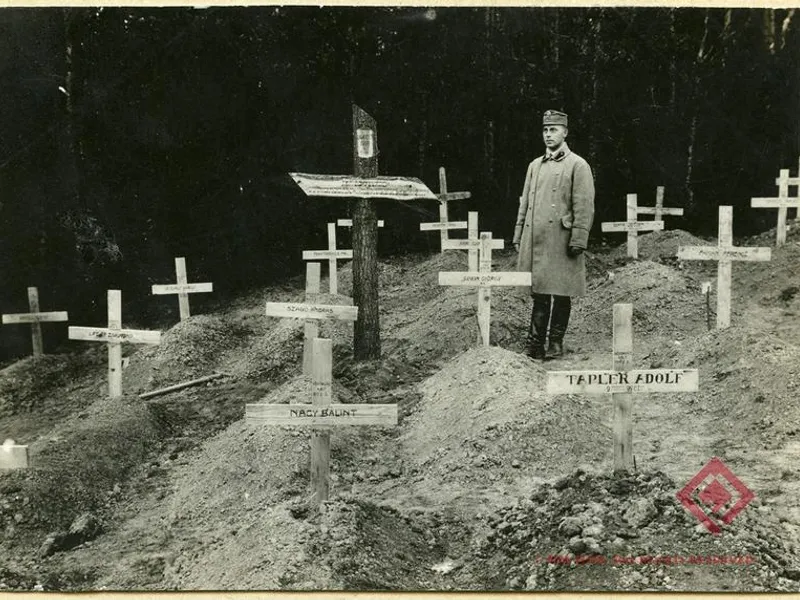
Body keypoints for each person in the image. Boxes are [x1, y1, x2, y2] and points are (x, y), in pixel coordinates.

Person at [512, 109, 595, 359]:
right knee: (539, 291)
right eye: (545, 130)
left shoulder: (578, 165)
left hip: (561, 237)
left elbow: (584, 204)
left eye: (554, 130)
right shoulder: (534, 166)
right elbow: (525, 202)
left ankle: (555, 343)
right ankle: (534, 344)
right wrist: (518, 234)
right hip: (536, 238)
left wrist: (579, 238)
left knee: (560, 291)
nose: (548, 135)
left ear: (565, 132)